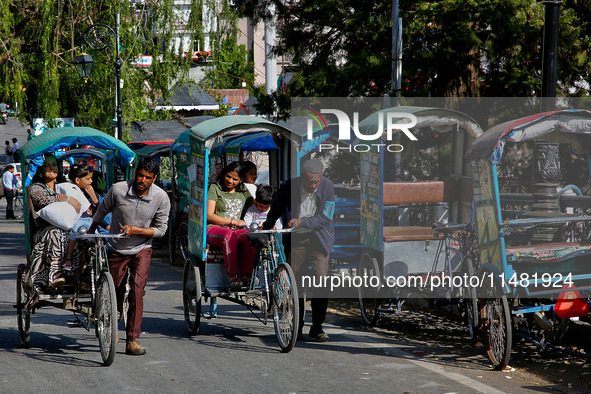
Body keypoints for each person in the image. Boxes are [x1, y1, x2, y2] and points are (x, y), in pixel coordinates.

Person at [88, 156, 170, 356]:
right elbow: (101, 211)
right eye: (140, 175)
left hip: (142, 248)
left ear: (154, 178)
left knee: (136, 292)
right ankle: (112, 327)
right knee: (113, 291)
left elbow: (160, 230)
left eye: (148, 177)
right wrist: (90, 232)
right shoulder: (118, 189)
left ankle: (132, 339)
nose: (142, 180)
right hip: (117, 246)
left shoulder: (161, 197)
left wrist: (136, 230)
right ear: (135, 173)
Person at [262, 158, 335, 342]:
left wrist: (303, 221)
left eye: (316, 183)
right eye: (310, 182)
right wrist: (265, 231)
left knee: (321, 280)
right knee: (296, 283)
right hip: (296, 238)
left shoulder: (328, 187)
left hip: (320, 238)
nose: (313, 186)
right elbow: (276, 209)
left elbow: (326, 217)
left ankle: (317, 326)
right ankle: (297, 325)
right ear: (303, 177)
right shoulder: (289, 186)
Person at [29, 155, 82, 292]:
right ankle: (54, 277)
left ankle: (78, 277)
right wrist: (66, 199)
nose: (51, 168)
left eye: (53, 165)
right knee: (55, 233)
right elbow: (43, 203)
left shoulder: (65, 186)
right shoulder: (37, 188)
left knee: (80, 234)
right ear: (41, 170)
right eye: (47, 165)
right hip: (44, 231)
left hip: (68, 227)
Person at [206, 161, 255, 289]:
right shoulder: (215, 188)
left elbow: (255, 205)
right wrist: (233, 222)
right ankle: (232, 277)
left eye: (235, 179)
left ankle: (246, 277)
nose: (230, 181)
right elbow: (209, 215)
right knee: (229, 236)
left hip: (236, 230)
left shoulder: (243, 190)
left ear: (241, 180)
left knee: (250, 237)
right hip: (214, 228)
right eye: (228, 176)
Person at [63, 164, 100, 270]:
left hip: (90, 221)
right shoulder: (71, 192)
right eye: (88, 179)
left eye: (91, 179)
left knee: (98, 238)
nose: (91, 181)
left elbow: (99, 211)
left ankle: (99, 260)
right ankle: (68, 258)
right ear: (78, 180)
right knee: (73, 234)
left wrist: (93, 196)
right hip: (77, 220)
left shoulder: (92, 193)